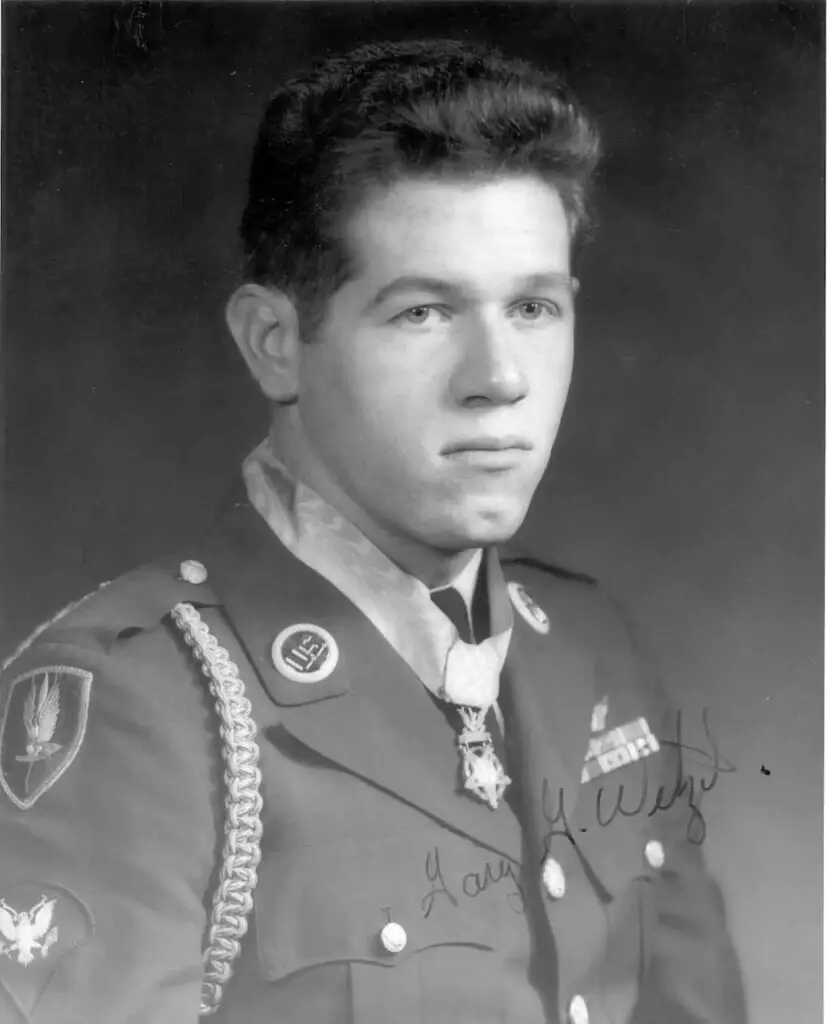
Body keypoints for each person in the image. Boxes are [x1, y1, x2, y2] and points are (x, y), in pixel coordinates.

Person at [0, 39, 747, 1024]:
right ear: (275, 344)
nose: (500, 376)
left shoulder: (590, 649)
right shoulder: (140, 707)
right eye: (424, 311)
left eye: (532, 305)